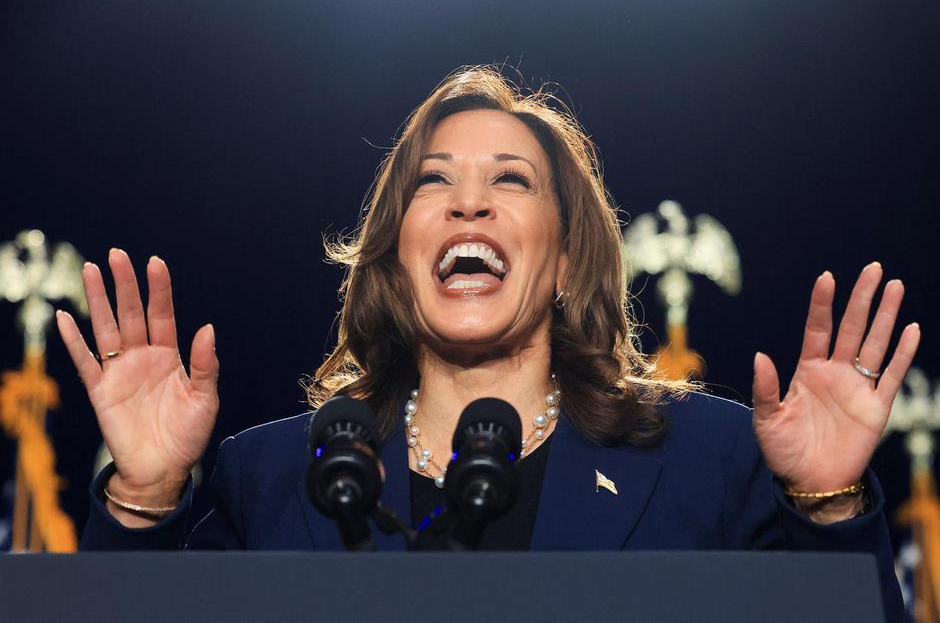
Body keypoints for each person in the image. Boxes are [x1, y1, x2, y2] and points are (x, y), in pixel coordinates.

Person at [57, 67, 919, 619]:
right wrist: (143, 494)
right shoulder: (274, 476)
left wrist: (832, 505)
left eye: (511, 180)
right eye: (434, 183)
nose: (468, 204)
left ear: (564, 261)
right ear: (398, 259)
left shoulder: (709, 458)